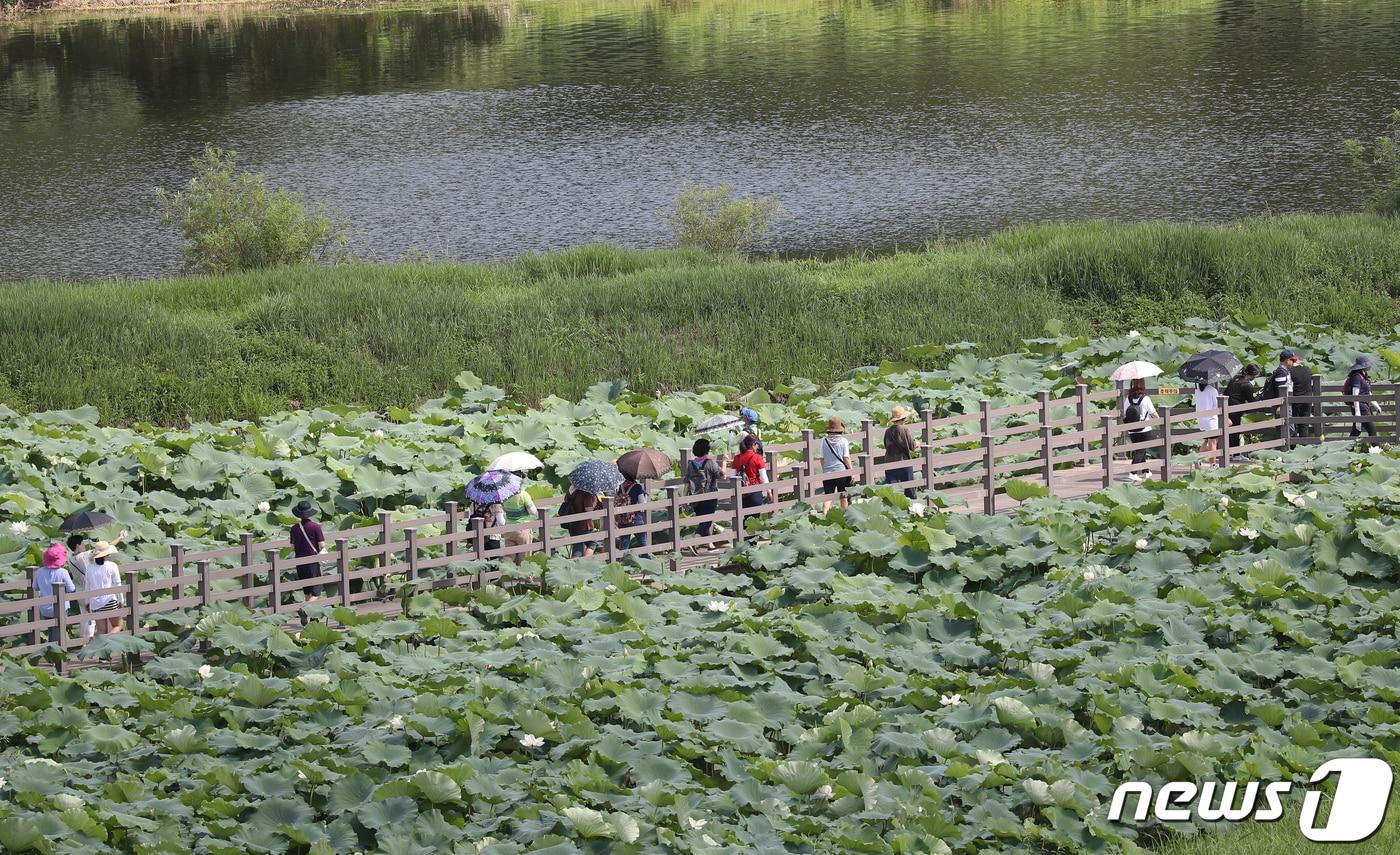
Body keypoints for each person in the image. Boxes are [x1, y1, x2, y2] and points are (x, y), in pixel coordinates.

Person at [67, 527, 127, 638]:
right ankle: (90, 641)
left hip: (79, 591)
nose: (84, 546)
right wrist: (119, 538)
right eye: (82, 544)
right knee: (92, 621)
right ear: (77, 546)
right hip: (92, 592)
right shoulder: (83, 556)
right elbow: (105, 548)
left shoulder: (70, 559)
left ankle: (83, 641)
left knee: (84, 618)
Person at [683, 438, 726, 552]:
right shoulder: (710, 462)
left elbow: (687, 482)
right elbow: (722, 475)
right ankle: (694, 542)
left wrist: (685, 498)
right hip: (709, 496)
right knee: (706, 521)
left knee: (704, 520)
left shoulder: (691, 464)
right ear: (707, 450)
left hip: (695, 497)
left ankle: (710, 544)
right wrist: (725, 462)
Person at [33, 543, 76, 644]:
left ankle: (52, 649)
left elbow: (35, 587)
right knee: (58, 630)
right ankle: (55, 652)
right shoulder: (63, 572)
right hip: (60, 607)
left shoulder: (39, 571)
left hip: (44, 608)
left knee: (51, 628)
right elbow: (71, 589)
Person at [84, 541, 124, 636]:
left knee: (101, 631)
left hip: (95, 603)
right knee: (117, 626)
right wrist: (121, 600)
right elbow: (117, 584)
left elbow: (87, 587)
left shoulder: (89, 568)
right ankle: (107, 640)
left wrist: (87, 602)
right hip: (109, 600)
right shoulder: (112, 566)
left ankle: (101, 646)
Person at [290, 500, 326, 603]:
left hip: (299, 562)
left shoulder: (294, 528)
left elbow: (292, 547)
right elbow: (322, 545)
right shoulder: (315, 526)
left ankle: (307, 616)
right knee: (316, 591)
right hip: (312, 561)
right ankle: (304, 610)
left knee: (307, 591)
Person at [820, 418, 855, 512]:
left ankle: (824, 514)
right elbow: (846, 458)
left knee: (828, 496)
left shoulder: (823, 441)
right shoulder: (844, 441)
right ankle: (845, 515)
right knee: (843, 496)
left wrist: (825, 470)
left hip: (827, 472)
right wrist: (852, 472)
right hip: (841, 472)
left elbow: (822, 458)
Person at [501, 475, 538, 563]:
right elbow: (533, 511)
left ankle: (506, 573)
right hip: (522, 528)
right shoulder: (524, 495)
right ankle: (526, 576)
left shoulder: (505, 495)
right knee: (525, 557)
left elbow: (503, 509)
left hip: (509, 529)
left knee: (509, 556)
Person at [883, 405, 918, 498]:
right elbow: (912, 446)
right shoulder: (904, 429)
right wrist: (917, 443)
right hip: (903, 461)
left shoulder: (887, 431)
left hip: (889, 462)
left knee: (892, 492)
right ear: (903, 418)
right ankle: (912, 508)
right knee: (909, 489)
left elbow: (886, 446)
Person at [1262, 351, 1297, 440]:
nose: (1293, 362)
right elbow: (1279, 389)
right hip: (1283, 403)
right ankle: (1282, 447)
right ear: (1287, 360)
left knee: (1285, 426)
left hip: (1285, 401)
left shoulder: (1284, 370)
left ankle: (1283, 446)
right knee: (1287, 427)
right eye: (1292, 360)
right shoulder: (1281, 372)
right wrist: (1279, 405)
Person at [1122, 379, 1158, 470]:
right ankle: (1132, 472)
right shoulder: (1145, 399)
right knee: (1141, 450)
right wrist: (1161, 421)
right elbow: (1153, 413)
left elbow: (1125, 414)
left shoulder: (1128, 399)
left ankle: (1146, 471)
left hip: (1132, 430)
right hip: (1144, 429)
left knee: (1140, 450)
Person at [1344, 355, 1381, 438]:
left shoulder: (1364, 376)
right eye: (1368, 364)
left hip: (1363, 406)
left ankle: (1348, 448)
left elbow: (1367, 393)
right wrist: (1357, 412)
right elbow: (1355, 395)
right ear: (1364, 366)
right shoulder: (1357, 377)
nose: (1370, 365)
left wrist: (1376, 405)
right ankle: (1377, 449)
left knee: (1356, 431)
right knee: (1372, 430)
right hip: (1360, 407)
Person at [1225, 364, 1259, 450]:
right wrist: (1258, 396)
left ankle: (1227, 451)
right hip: (1236, 409)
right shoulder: (1247, 385)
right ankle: (1235, 453)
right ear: (1253, 374)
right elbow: (1252, 401)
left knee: (1227, 431)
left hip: (1226, 407)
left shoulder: (1235, 379)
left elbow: (1226, 392)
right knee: (1235, 432)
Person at [558, 488, 600, 558]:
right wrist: (595, 501)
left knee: (577, 546)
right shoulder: (586, 491)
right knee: (592, 543)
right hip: (584, 524)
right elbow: (588, 509)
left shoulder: (571, 489)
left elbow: (566, 500)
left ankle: (575, 565)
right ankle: (584, 563)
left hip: (571, 523)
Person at [732, 435, 770, 511]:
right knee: (754, 520)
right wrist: (769, 491)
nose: (757, 448)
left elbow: (732, 476)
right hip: (754, 491)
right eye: (757, 445)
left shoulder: (737, 458)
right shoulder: (757, 458)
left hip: (741, 493)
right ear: (753, 445)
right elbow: (763, 477)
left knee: (742, 520)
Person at [615, 476, 648, 550]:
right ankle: (647, 558)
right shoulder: (637, 487)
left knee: (624, 542)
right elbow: (642, 504)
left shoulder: (621, 487)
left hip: (622, 518)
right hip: (635, 517)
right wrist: (645, 495)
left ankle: (622, 560)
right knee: (643, 542)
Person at [1192, 381, 1221, 463]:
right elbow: (1217, 405)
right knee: (1213, 442)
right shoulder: (1213, 391)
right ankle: (1213, 465)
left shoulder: (1197, 390)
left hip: (1201, 420)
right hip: (1211, 420)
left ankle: (1198, 460)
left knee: (1206, 441)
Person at [1288, 351, 1315, 439]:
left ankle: (1293, 445)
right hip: (1308, 399)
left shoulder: (1290, 371)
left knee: (1294, 422)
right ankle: (1304, 444)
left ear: (1291, 361)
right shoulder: (1307, 369)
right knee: (1304, 424)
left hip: (1296, 400)